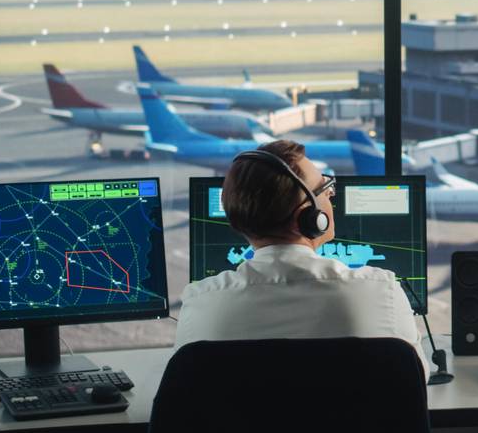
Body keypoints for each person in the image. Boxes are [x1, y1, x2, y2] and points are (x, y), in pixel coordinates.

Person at [174, 139, 426, 373]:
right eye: (326, 188)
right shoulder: (382, 292)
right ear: (308, 216)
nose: (331, 195)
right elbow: (414, 382)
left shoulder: (200, 304)